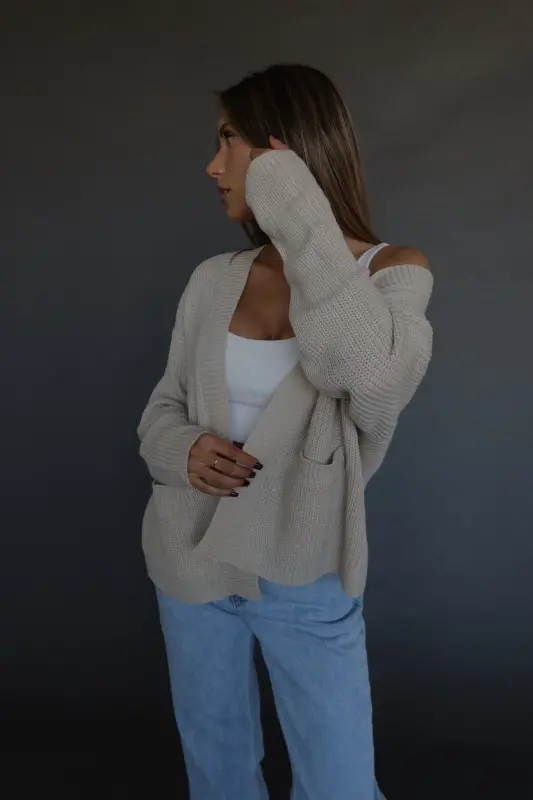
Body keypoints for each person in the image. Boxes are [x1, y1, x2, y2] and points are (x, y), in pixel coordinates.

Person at [138, 64, 433, 800]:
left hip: (305, 572)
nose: (212, 166)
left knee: (339, 785)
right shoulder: (213, 278)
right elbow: (160, 411)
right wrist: (182, 450)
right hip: (191, 558)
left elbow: (366, 378)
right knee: (217, 772)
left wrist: (297, 208)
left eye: (227, 141)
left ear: (280, 155)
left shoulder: (393, 273)